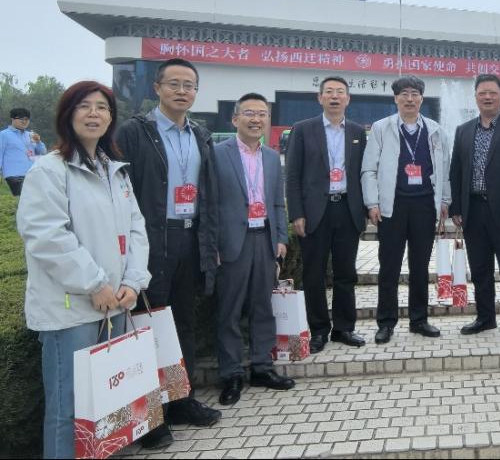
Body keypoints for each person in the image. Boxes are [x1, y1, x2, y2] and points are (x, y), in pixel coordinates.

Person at [17, 81, 150, 459]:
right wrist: (94, 283)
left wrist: (133, 281)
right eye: (84, 106)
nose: (94, 114)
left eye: (102, 107)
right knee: (69, 410)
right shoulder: (49, 170)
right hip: (71, 310)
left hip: (116, 303)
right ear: (67, 114)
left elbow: (136, 229)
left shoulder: (115, 170)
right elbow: (46, 236)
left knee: (110, 405)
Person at [114, 58, 221, 447]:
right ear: (156, 88)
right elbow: (120, 192)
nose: (181, 91)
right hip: (152, 242)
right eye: (173, 83)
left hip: (190, 239)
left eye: (189, 85)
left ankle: (181, 399)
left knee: (182, 324)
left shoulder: (201, 135)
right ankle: (150, 415)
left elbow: (210, 194)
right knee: (147, 326)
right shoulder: (134, 132)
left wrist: (211, 244)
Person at [213, 93, 294, 406]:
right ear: (235, 119)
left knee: (263, 306)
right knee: (229, 311)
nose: (256, 119)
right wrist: (213, 244)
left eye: (262, 114)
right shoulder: (217, 154)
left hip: (264, 238)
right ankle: (231, 374)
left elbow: (278, 203)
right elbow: (209, 203)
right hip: (232, 241)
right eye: (249, 113)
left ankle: (262, 366)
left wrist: (281, 238)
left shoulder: (272, 158)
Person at [361, 75, 450, 344]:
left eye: (414, 94)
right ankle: (386, 322)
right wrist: (372, 203)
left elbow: (444, 170)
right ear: (396, 98)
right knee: (389, 266)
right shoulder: (381, 128)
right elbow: (369, 169)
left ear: (422, 98)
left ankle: (419, 320)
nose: (409, 99)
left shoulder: (435, 130)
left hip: (424, 205)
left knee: (420, 266)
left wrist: (444, 201)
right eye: (404, 94)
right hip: (392, 207)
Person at [286, 77, 368, 353]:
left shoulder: (357, 132)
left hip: (346, 208)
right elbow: (292, 175)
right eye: (329, 92)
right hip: (314, 213)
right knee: (314, 273)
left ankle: (344, 328)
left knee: (346, 273)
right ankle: (319, 330)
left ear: (348, 99)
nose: (335, 96)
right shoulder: (302, 129)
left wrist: (365, 209)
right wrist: (296, 213)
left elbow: (362, 173)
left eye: (340, 92)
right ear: (319, 98)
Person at [449, 74, 500, 341]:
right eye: (482, 93)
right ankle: (485, 318)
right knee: (480, 269)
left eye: (492, 93)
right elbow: (456, 170)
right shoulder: (463, 130)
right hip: (473, 210)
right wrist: (456, 207)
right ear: (475, 97)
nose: (487, 97)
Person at [1, 108, 47, 196]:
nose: (24, 121)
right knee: (25, 199)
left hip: (32, 174)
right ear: (12, 119)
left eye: (26, 119)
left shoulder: (30, 134)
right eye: (21, 119)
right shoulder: (3, 135)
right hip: (14, 176)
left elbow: (43, 152)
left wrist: (38, 142)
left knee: (36, 199)